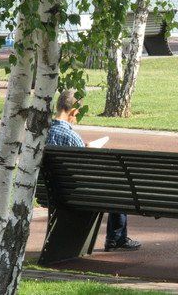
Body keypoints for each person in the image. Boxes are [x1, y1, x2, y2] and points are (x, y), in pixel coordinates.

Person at [46, 90, 141, 252]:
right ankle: (116, 238)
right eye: (77, 114)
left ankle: (116, 238)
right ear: (73, 111)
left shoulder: (42, 132)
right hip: (77, 193)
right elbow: (85, 169)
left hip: (52, 191)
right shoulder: (71, 136)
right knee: (119, 188)